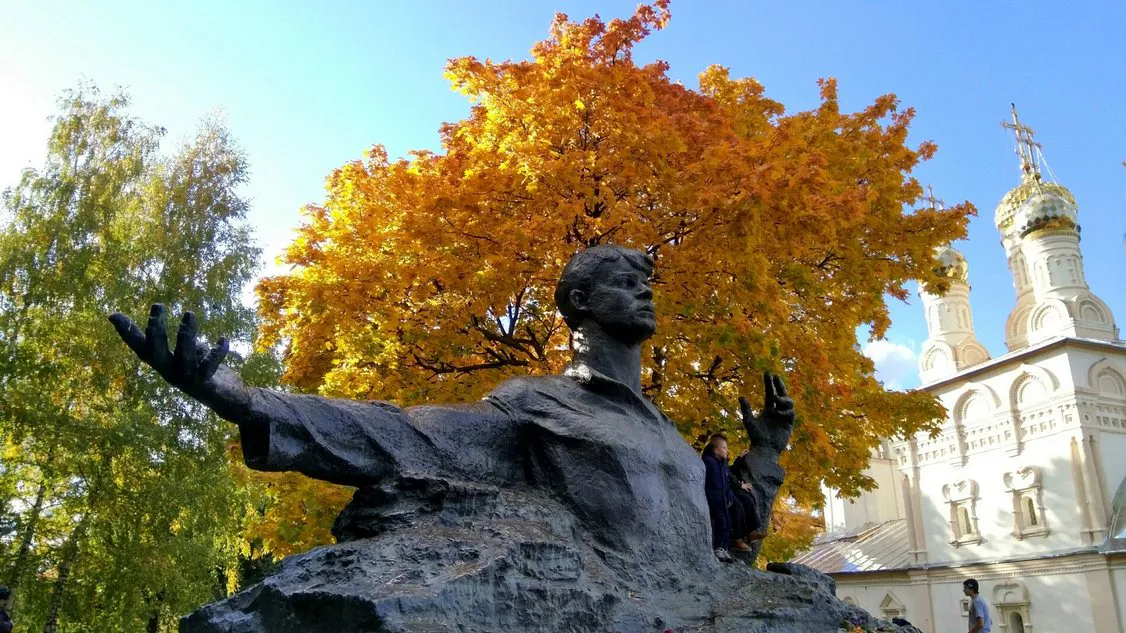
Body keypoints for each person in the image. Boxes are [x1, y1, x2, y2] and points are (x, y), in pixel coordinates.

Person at [702, 433, 743, 562]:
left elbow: (727, 485)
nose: (727, 450)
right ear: (716, 450)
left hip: (724, 500)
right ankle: (718, 548)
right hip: (714, 499)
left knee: (727, 523)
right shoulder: (709, 462)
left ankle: (724, 548)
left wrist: (729, 497)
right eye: (724, 448)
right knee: (720, 522)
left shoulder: (723, 465)